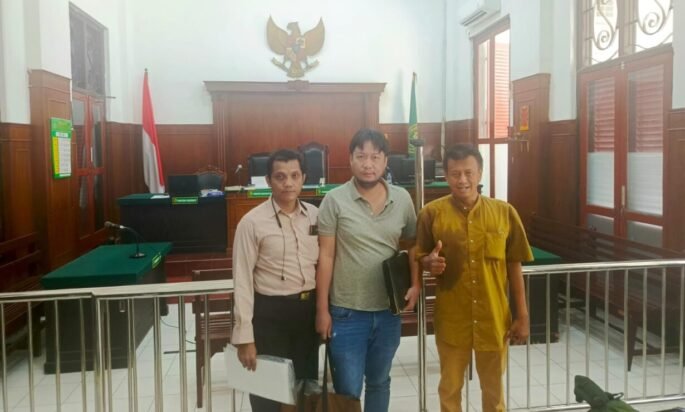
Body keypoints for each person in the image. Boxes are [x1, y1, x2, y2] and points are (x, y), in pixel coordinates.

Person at [416, 144, 533, 412]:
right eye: (455, 174)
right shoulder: (431, 214)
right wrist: (428, 263)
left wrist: (523, 315)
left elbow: (514, 266)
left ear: (480, 173)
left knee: (494, 393)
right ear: (446, 176)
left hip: (493, 319)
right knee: (449, 390)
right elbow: (420, 256)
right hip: (452, 320)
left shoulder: (504, 213)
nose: (462, 180)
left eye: (468, 173)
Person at [315, 128, 420, 412]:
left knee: (379, 382)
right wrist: (322, 310)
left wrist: (416, 284)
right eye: (361, 156)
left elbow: (413, 245)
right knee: (348, 391)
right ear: (350, 159)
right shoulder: (334, 200)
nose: (368, 164)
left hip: (388, 311)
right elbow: (326, 256)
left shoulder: (402, 199)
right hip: (346, 313)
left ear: (386, 161)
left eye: (375, 157)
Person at [232, 149, 320, 412]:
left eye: (294, 176)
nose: (288, 183)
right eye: (280, 177)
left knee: (304, 391)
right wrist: (244, 336)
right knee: (268, 395)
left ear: (304, 178)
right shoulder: (251, 223)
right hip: (269, 315)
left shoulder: (316, 215)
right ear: (268, 180)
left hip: (307, 313)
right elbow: (242, 281)